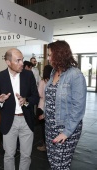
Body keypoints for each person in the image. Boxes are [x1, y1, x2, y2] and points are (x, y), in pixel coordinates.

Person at [41, 40, 87, 170]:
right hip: (50, 127)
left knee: (60, 165)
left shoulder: (75, 75)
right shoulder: (53, 72)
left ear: (60, 54)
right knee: (53, 162)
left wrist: (66, 133)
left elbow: (78, 107)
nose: (48, 58)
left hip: (66, 128)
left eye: (50, 55)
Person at [0, 48, 39, 170]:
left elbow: (35, 97)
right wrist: (0, 101)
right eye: (18, 61)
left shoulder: (28, 75)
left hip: (26, 120)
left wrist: (26, 100)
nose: (22, 63)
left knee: (26, 155)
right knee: (8, 155)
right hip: (9, 121)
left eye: (22, 60)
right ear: (8, 62)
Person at [37, 64, 53, 152]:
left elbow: (39, 94)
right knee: (50, 128)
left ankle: (45, 145)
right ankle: (50, 144)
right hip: (50, 107)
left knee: (43, 128)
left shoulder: (42, 81)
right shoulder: (53, 81)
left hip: (42, 106)